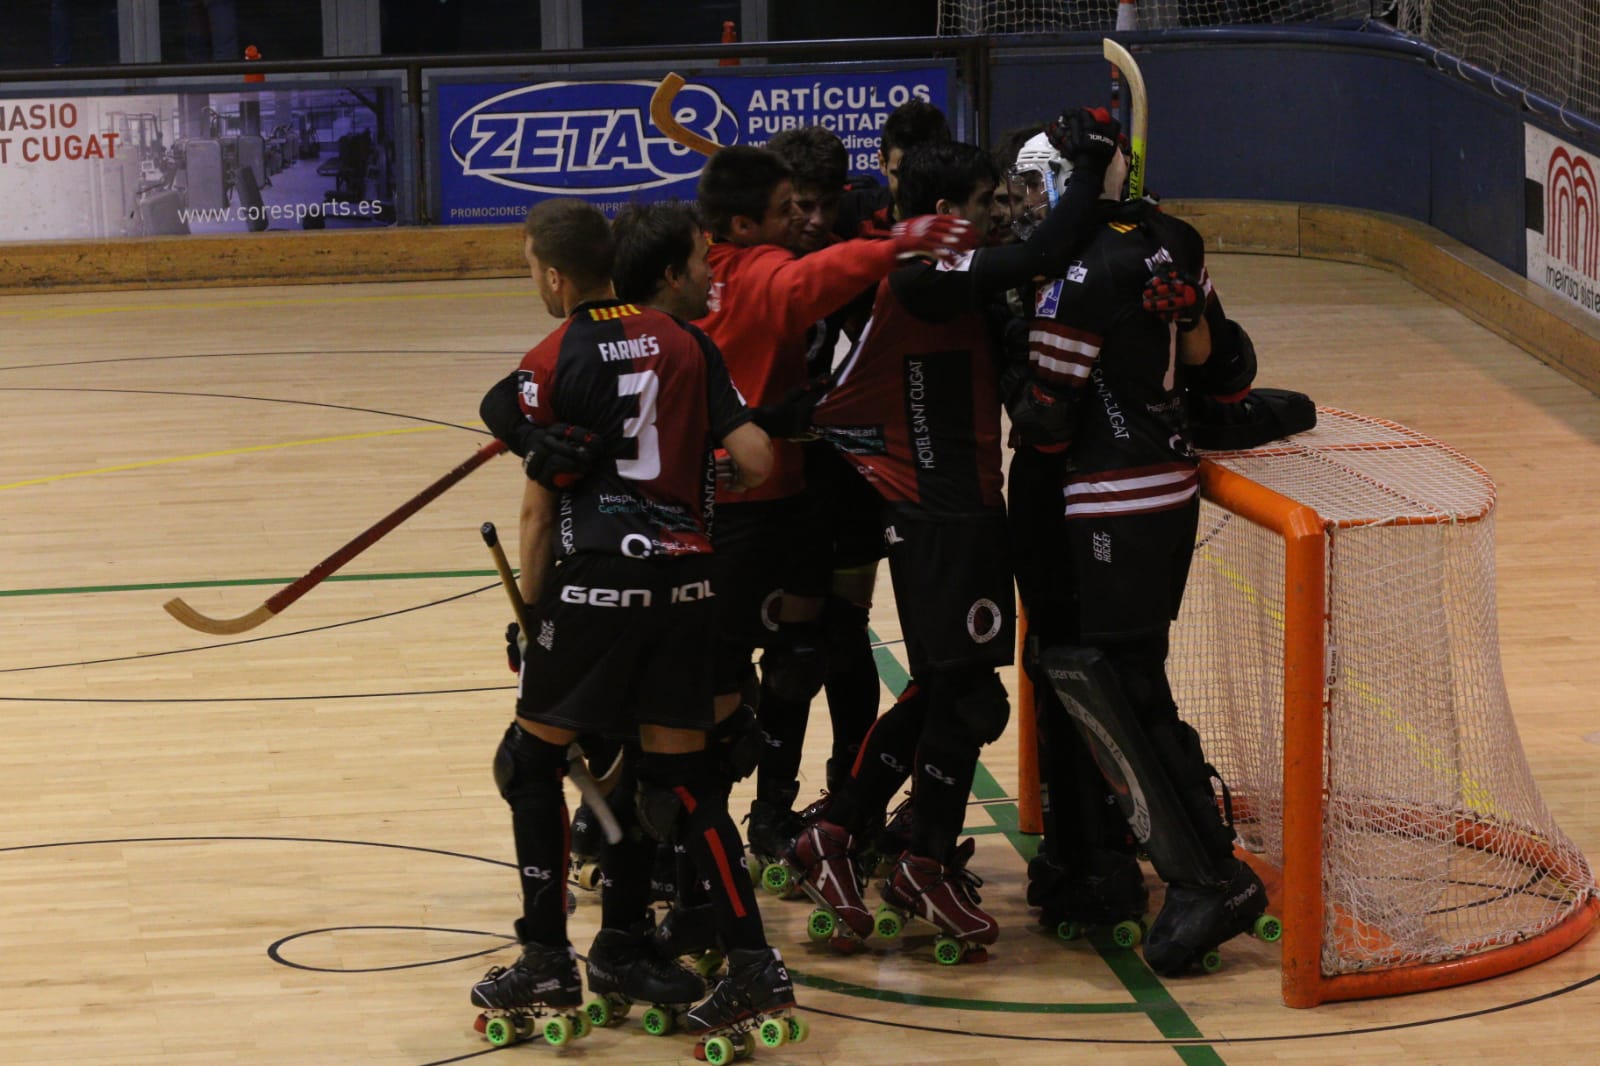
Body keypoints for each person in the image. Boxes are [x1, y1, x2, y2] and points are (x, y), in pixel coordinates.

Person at [786, 110, 1125, 956]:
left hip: (957, 503)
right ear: (944, 208)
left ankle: (851, 836)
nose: (998, 213)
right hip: (940, 510)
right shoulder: (923, 274)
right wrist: (1092, 172)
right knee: (968, 693)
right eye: (982, 202)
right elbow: (1043, 255)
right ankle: (912, 855)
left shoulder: (941, 271)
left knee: (949, 689)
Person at [468, 198, 797, 1044]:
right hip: (688, 589)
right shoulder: (689, 344)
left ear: (553, 274)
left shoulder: (554, 356)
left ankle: (545, 956)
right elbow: (756, 461)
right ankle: (752, 967)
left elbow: (538, 516)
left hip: (596, 591)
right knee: (681, 789)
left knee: (529, 765)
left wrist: (536, 616)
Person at [1006, 131, 1273, 975]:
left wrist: (1010, 338)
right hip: (1168, 490)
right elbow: (1223, 370)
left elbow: (1044, 420)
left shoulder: (1077, 268)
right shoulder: (1175, 239)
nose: (1022, 204)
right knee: (1124, 677)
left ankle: (1207, 874)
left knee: (1118, 687)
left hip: (1104, 499)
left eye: (1032, 184)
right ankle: (1149, 857)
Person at [688, 145, 980, 887]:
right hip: (760, 487)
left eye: (820, 207)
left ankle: (830, 812)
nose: (810, 220)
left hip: (835, 482)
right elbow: (800, 285)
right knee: (757, 670)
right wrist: (893, 245)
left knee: (827, 650)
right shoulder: (771, 270)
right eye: (796, 208)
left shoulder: (835, 244)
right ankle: (731, 822)